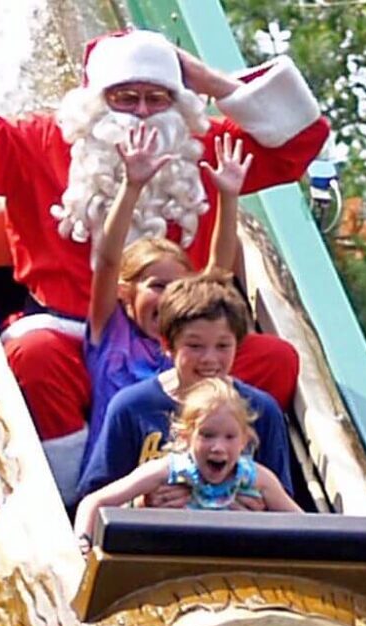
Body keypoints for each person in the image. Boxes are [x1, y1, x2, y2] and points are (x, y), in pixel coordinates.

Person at [0, 1, 327, 488]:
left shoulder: (199, 147)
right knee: (35, 356)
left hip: (190, 344)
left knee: (273, 359)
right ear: (94, 101)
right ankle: (69, 495)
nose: (141, 112)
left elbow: (297, 144)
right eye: (125, 97)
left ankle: (229, 484)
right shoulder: (38, 142)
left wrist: (207, 79)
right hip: (75, 338)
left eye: (157, 98)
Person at [84, 122, 251, 459]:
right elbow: (106, 260)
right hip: (121, 471)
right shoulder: (111, 331)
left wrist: (229, 197)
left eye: (177, 286)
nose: (167, 296)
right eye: (156, 286)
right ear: (125, 292)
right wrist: (132, 187)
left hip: (192, 475)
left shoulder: (188, 345)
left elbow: (218, 273)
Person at [76, 271, 293, 512]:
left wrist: (257, 509)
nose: (210, 359)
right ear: (168, 345)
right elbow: (95, 498)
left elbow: (282, 502)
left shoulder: (260, 409)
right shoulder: (132, 407)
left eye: (223, 346)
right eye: (195, 346)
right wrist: (141, 503)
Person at [74, 377, 301, 550]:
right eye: (207, 435)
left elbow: (301, 522)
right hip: (173, 557)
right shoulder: (169, 470)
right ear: (186, 437)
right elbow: (94, 501)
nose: (218, 447)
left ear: (244, 441)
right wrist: (82, 545)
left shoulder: (256, 478)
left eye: (229, 437)